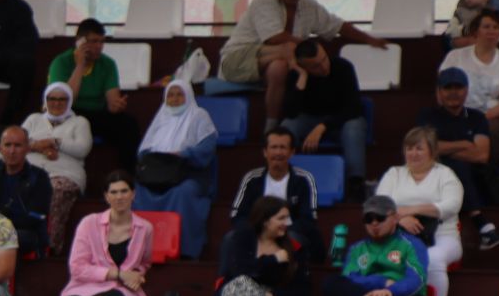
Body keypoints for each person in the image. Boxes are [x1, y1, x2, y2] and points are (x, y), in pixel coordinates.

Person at [217, 0, 386, 128]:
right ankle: (272, 126)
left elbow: (335, 25)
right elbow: (274, 37)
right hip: (236, 59)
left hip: (275, 65)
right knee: (289, 50)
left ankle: (273, 126)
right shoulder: (264, 0)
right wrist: (309, 47)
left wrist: (369, 39)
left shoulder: (307, 4)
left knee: (280, 66)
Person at [374, 126, 464, 296]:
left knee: (431, 258)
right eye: (409, 148)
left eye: (419, 148)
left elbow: (452, 205)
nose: (413, 153)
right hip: (399, 235)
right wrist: (401, 218)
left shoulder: (445, 175)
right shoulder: (394, 174)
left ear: (432, 151)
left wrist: (413, 209)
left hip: (442, 236)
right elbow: (379, 205)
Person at [132, 80, 218, 259]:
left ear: (188, 96)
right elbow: (144, 151)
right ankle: (141, 247)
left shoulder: (199, 116)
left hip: (188, 173)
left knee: (183, 192)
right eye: (170, 95)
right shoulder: (161, 117)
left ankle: (183, 250)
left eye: (180, 94)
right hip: (158, 174)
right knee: (139, 190)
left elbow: (208, 147)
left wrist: (184, 154)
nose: (175, 99)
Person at [417, 67, 499, 255]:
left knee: (456, 166)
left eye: (458, 87)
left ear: (467, 90)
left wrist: (442, 150)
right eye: (448, 88)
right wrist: (463, 144)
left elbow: (481, 155)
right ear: (439, 91)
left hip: (475, 179)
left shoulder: (477, 117)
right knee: (453, 166)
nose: (453, 92)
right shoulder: (427, 116)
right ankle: (481, 224)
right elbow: (425, 149)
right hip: (437, 179)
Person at [281, 38, 368, 199]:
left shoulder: (343, 67)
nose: (323, 67)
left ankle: (355, 183)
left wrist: (323, 126)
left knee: (354, 127)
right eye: (315, 66)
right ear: (303, 66)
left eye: (324, 59)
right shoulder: (296, 75)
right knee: (287, 127)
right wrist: (302, 78)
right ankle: (282, 177)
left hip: (340, 122)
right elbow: (290, 113)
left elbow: (354, 107)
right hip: (308, 120)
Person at [46, 19, 139, 159]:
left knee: (128, 124)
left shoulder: (108, 63)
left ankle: (128, 174)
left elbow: (112, 101)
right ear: (80, 42)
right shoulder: (61, 62)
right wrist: (79, 66)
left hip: (96, 114)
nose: (99, 46)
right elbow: (64, 101)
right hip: (69, 113)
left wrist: (116, 106)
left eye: (102, 42)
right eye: (94, 41)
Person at [440, 9, 499, 163]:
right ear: (476, 30)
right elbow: (441, 90)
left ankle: (489, 173)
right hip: (456, 111)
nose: (491, 31)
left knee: (492, 131)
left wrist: (480, 118)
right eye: (486, 26)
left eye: (496, 27)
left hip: (490, 115)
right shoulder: (455, 56)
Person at [230, 127, 321, 258]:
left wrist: (278, 230)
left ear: (292, 152)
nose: (278, 152)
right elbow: (237, 215)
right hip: (257, 232)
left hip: (290, 232)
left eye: (283, 147)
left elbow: (309, 219)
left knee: (293, 240)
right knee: (231, 239)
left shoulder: (305, 179)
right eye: (274, 147)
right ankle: (231, 279)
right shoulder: (251, 178)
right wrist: (260, 232)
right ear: (265, 152)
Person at [21, 83, 91, 253]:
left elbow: (82, 149)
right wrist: (39, 146)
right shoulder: (34, 119)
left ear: (70, 101)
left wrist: (55, 142)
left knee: (54, 190)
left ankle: (49, 245)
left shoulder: (79, 122)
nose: (57, 103)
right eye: (52, 99)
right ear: (46, 100)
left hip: (65, 173)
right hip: (31, 171)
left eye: (62, 99)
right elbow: (18, 142)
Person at [0, 126, 52, 257]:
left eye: (17, 146)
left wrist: (4, 221)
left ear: (27, 148)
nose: (12, 151)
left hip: (27, 233)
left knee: (0, 240)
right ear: (0, 148)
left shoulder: (39, 177)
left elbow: (36, 217)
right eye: (7, 145)